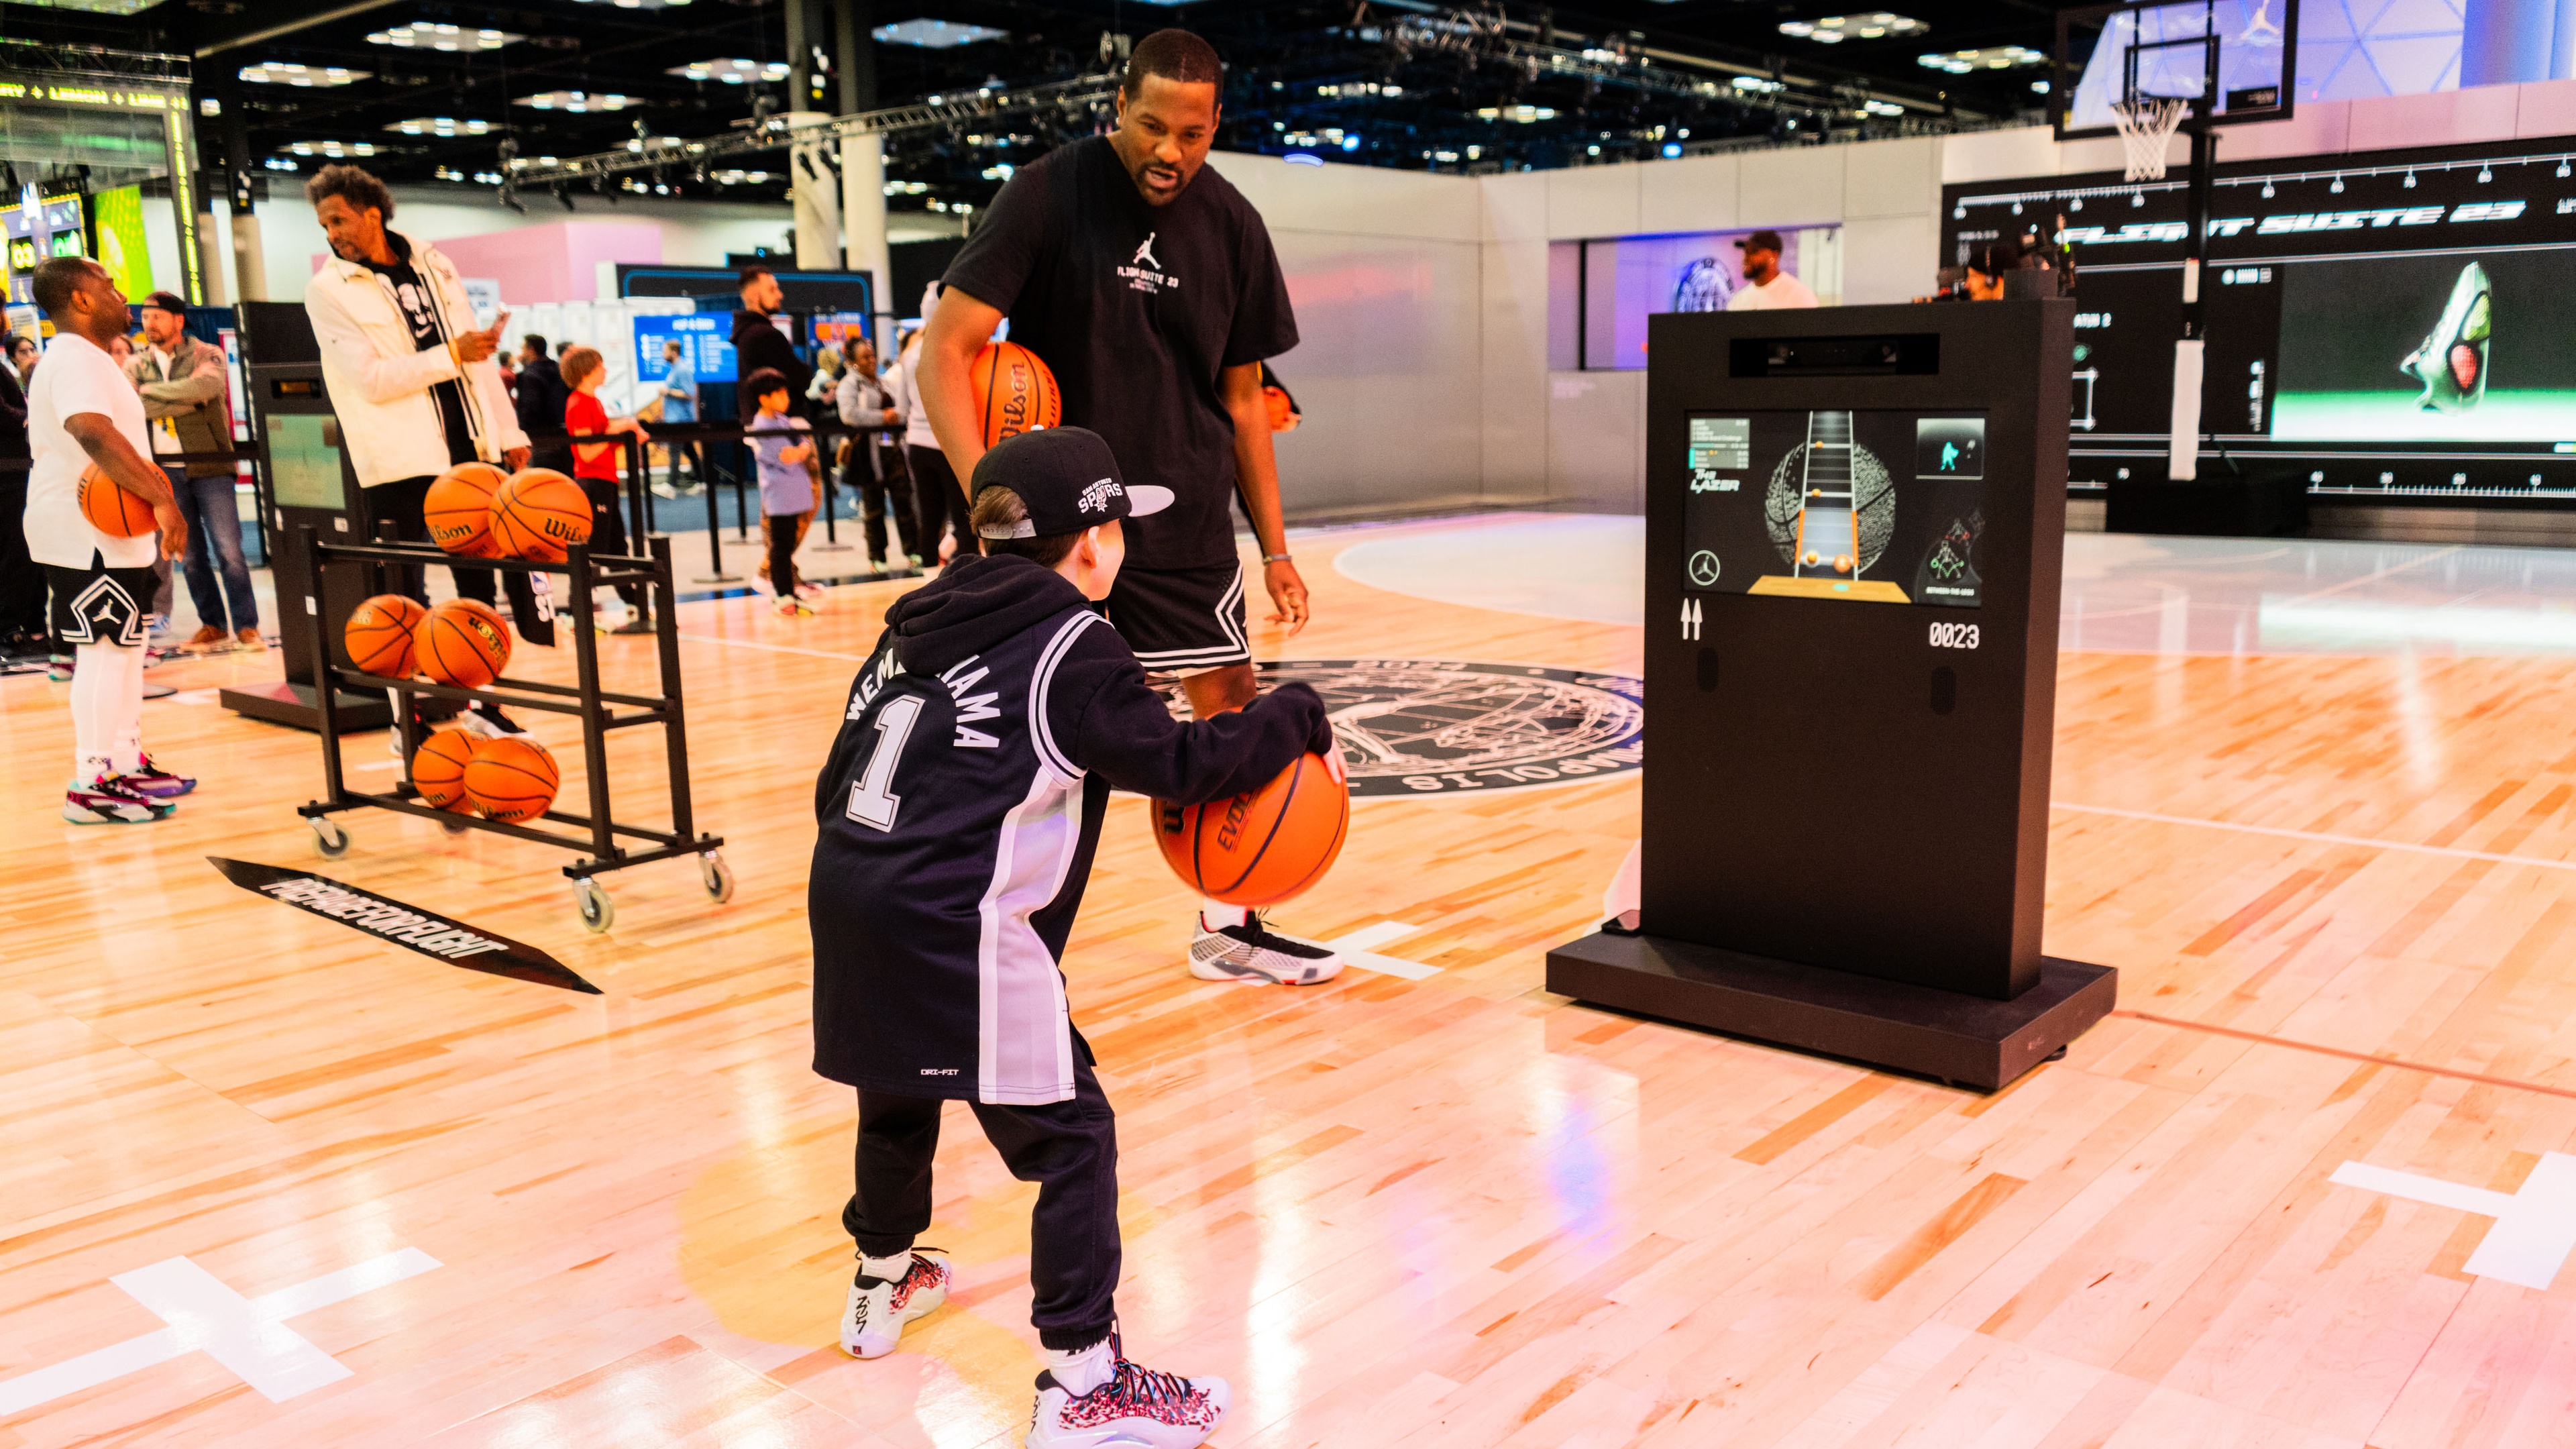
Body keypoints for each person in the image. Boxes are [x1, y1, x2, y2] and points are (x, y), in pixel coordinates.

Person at [810, 425, 1333, 1448]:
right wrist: (1293, 715)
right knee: (1072, 1141)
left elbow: (837, 780)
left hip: (850, 895)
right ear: (1089, 542)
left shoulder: (910, 625)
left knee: (900, 1091)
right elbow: (1180, 764)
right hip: (958, 922)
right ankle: (1085, 1380)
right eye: (1118, 526)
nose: (1122, 545)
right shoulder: (1072, 644)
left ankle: (882, 1282)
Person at [921, 26, 1333, 987]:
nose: (1168, 151)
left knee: (1227, 708)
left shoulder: (1233, 224)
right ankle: (994, 943)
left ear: (1215, 123)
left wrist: (1275, 547)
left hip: (1187, 521)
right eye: (1151, 126)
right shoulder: (1046, 192)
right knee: (1042, 740)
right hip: (1065, 533)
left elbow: (1243, 401)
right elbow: (945, 349)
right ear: (1119, 107)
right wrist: (996, 508)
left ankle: (1233, 922)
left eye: (1190, 134)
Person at [301, 162, 549, 736]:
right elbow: (370, 381)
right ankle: (404, 720)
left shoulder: (434, 263)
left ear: (372, 213)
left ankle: (485, 705)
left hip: (471, 451)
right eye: (323, 225)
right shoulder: (327, 291)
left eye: (338, 220)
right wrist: (451, 356)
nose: (332, 234)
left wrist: (508, 434)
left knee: (478, 589)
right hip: (400, 463)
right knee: (400, 595)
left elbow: (477, 358)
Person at [23, 256, 194, 822]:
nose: (123, 296)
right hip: (87, 532)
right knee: (101, 652)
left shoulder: (88, 358)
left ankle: (123, 758)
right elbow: (92, 432)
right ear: (80, 300)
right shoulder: (74, 358)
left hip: (113, 531)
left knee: (127, 647)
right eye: (110, 287)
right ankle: (92, 779)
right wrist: (165, 500)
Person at [129, 290, 260, 654]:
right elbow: (132, 404)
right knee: (189, 555)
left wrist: (152, 392)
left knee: (230, 550)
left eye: (156, 316)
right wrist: (187, 400)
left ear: (178, 320)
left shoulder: (207, 353)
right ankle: (213, 625)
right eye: (145, 317)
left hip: (211, 464)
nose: (148, 323)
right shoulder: (135, 364)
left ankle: (247, 627)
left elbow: (208, 386)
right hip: (163, 472)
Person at [559, 344, 653, 634]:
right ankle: (577, 614)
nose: (606, 370)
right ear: (587, 371)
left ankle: (635, 604)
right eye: (601, 366)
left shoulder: (594, 402)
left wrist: (624, 428)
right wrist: (616, 430)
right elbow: (586, 453)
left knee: (616, 549)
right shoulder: (579, 404)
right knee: (593, 550)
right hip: (592, 483)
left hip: (606, 481)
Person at [884, 313, 963, 566]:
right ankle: (971, 584)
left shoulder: (910, 354)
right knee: (964, 518)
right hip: (948, 441)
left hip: (918, 443)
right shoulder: (952, 348)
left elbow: (902, 408)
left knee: (929, 518)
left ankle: (929, 581)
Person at [833, 334, 912, 574]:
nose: (871, 360)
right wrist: (883, 418)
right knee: (874, 508)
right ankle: (877, 557)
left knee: (904, 501)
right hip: (868, 456)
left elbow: (904, 409)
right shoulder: (849, 385)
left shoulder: (885, 382)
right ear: (853, 361)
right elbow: (849, 415)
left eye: (873, 355)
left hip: (895, 451)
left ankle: (913, 552)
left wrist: (896, 415)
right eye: (865, 357)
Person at [745, 367, 819, 616]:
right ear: (764, 398)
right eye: (779, 393)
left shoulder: (781, 420)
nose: (785, 398)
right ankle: (782, 594)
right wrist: (800, 451)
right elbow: (788, 455)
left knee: (786, 544)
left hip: (792, 493)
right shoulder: (762, 425)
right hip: (780, 495)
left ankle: (788, 590)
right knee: (780, 545)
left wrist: (802, 449)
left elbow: (804, 444)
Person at [0, 330, 41, 658]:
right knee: (15, 552)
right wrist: (32, 418)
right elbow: (4, 415)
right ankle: (10, 630)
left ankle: (23, 625)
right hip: (8, 474)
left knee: (20, 552)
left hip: (15, 472)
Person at [731, 267, 810, 420]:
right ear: (754, 296)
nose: (780, 295)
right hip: (780, 429)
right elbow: (800, 377)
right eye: (772, 290)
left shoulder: (746, 333)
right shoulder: (764, 335)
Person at [512, 335, 572, 474]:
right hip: (566, 438)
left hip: (540, 440)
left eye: (523, 349)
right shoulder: (560, 370)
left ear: (531, 349)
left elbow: (530, 408)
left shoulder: (529, 375)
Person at [1725, 229, 1819, 311]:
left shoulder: (1799, 295)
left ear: (1774, 256)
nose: (1746, 258)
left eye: (1754, 252)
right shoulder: (1738, 300)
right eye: (1746, 252)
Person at [656, 337, 700, 492]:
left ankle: (671, 486)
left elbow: (689, 394)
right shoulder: (675, 369)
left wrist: (666, 391)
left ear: (674, 352)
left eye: (665, 351)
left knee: (674, 451)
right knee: (690, 451)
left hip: (681, 420)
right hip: (676, 418)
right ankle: (702, 483)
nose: (663, 355)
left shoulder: (683, 369)